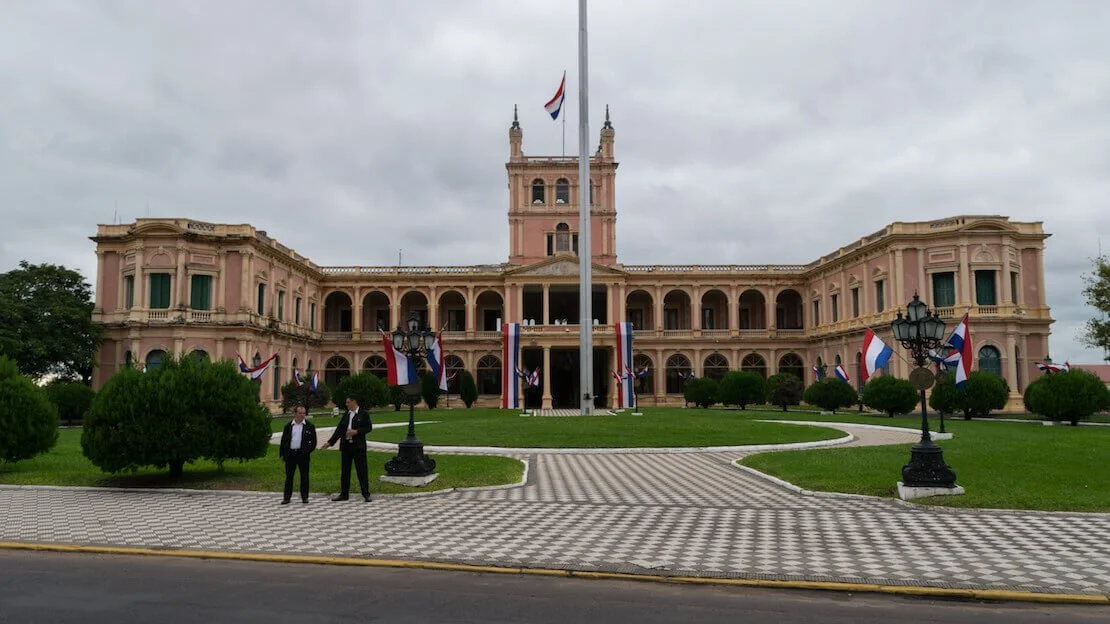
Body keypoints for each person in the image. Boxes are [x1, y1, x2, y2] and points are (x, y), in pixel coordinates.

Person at [320, 396, 373, 502]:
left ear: (354, 402)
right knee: (345, 471)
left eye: (348, 402)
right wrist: (330, 443)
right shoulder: (346, 414)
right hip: (346, 447)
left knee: (362, 471)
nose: (346, 404)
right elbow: (339, 430)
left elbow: (368, 427)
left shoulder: (363, 414)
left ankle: (366, 494)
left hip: (358, 447)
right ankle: (344, 494)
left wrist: (356, 431)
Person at [278, 405, 317, 505]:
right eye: (300, 413)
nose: (302, 415)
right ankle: (287, 498)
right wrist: (282, 454)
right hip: (291, 454)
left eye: (304, 413)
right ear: (294, 414)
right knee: (289, 476)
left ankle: (305, 497)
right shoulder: (288, 426)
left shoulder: (309, 426)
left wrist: (306, 451)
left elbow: (313, 442)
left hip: (303, 455)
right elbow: (284, 441)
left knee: (304, 476)